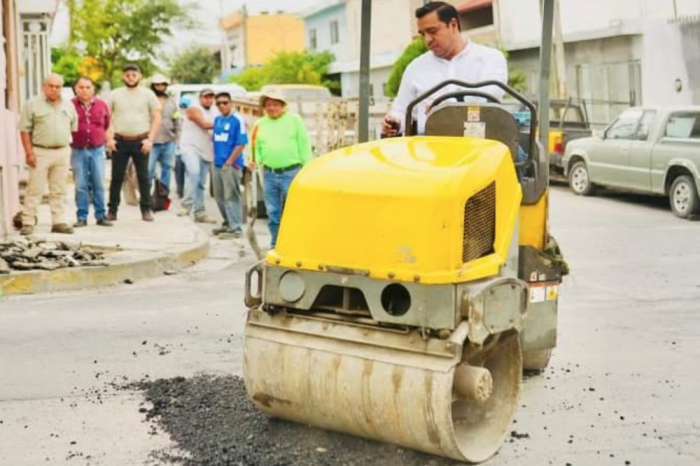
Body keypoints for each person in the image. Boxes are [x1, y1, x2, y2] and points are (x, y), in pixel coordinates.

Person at [382, 1, 508, 136]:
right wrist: (394, 122)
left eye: (432, 31)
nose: (427, 40)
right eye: (423, 34)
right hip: (430, 147)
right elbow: (401, 109)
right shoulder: (415, 67)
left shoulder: (490, 58)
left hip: (479, 142)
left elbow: (488, 98)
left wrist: (444, 111)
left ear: (453, 25)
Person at [251, 89, 312, 248]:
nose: (272, 108)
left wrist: (307, 166)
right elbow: (255, 147)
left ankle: (298, 243)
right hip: (270, 174)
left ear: (283, 105)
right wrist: (254, 161)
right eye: (268, 105)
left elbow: (304, 143)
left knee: (295, 210)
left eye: (275, 104)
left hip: (291, 172)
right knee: (273, 212)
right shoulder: (260, 124)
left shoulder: (294, 120)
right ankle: (276, 244)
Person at [19, 74, 78, 236]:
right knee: (34, 189)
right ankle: (28, 222)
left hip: (62, 151)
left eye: (58, 86)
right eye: (51, 86)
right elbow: (25, 130)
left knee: (59, 189)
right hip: (40, 152)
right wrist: (29, 152)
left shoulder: (68, 105)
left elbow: (73, 126)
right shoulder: (32, 104)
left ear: (62, 87)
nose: (54, 89)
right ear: (44, 86)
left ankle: (58, 222)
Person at [106, 63, 161, 221]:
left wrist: (150, 139)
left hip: (141, 141)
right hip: (119, 141)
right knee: (116, 177)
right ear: (123, 76)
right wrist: (109, 138)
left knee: (143, 177)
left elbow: (156, 117)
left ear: (139, 76)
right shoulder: (115, 94)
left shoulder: (148, 94)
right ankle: (112, 210)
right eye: (128, 75)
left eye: (134, 75)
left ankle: (146, 209)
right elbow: (106, 118)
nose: (131, 78)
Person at [70, 76, 112, 227]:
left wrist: (108, 141)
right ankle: (82, 217)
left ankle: (101, 216)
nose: (85, 90)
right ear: (75, 89)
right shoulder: (69, 105)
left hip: (96, 149)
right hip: (77, 149)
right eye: (81, 87)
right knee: (80, 184)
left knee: (98, 183)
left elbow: (106, 125)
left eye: (88, 87)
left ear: (93, 89)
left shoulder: (101, 105)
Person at [211, 92, 248, 238]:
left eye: (225, 102)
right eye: (218, 103)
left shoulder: (237, 119)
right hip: (217, 163)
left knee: (231, 196)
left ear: (231, 103)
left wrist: (230, 161)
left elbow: (241, 143)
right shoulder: (218, 119)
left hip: (231, 164)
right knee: (219, 196)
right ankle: (227, 223)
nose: (222, 106)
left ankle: (236, 228)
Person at [178, 88, 217, 223]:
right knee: (194, 172)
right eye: (206, 97)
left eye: (211, 97)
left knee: (201, 183)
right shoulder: (193, 108)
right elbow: (205, 124)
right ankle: (186, 204)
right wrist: (226, 124)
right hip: (190, 148)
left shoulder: (214, 111)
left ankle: (200, 213)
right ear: (200, 98)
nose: (208, 99)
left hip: (206, 151)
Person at [148, 73, 181, 194]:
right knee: (148, 170)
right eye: (157, 85)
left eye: (163, 84)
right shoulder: (148, 100)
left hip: (169, 141)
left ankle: (163, 195)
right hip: (151, 142)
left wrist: (178, 140)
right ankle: (146, 196)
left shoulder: (171, 101)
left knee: (167, 169)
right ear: (153, 86)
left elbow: (177, 121)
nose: (160, 87)